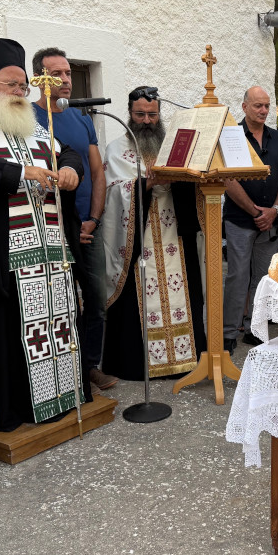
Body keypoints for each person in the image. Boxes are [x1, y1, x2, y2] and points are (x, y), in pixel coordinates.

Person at [0, 38, 85, 432]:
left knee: (58, 324)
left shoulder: (30, 122)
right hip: (8, 248)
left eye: (24, 86)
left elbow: (66, 151)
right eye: (12, 85)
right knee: (17, 329)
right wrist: (20, 172)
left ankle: (61, 399)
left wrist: (73, 168)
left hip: (50, 246)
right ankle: (21, 409)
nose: (21, 92)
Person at [99, 86, 205, 381]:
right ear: (130, 113)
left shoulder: (173, 146)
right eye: (140, 114)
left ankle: (184, 360)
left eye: (152, 115)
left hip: (174, 228)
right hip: (137, 235)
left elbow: (193, 181)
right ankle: (138, 363)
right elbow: (113, 193)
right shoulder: (117, 149)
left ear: (160, 115)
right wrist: (143, 185)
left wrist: (179, 178)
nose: (146, 121)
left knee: (183, 286)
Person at [31, 47, 117, 393]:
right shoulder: (27, 117)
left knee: (95, 299)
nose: (66, 80)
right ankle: (63, 372)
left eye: (68, 73)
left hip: (87, 227)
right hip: (50, 227)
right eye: (58, 74)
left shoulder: (81, 119)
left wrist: (93, 219)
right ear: (39, 77)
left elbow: (97, 172)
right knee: (59, 302)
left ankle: (90, 365)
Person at [223, 86, 278, 352]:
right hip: (240, 219)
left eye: (266, 106)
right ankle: (228, 332)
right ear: (244, 107)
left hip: (270, 220)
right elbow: (227, 178)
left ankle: (255, 328)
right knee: (238, 275)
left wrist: (274, 209)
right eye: (257, 106)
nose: (263, 110)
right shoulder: (231, 136)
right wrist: (255, 211)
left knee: (263, 278)